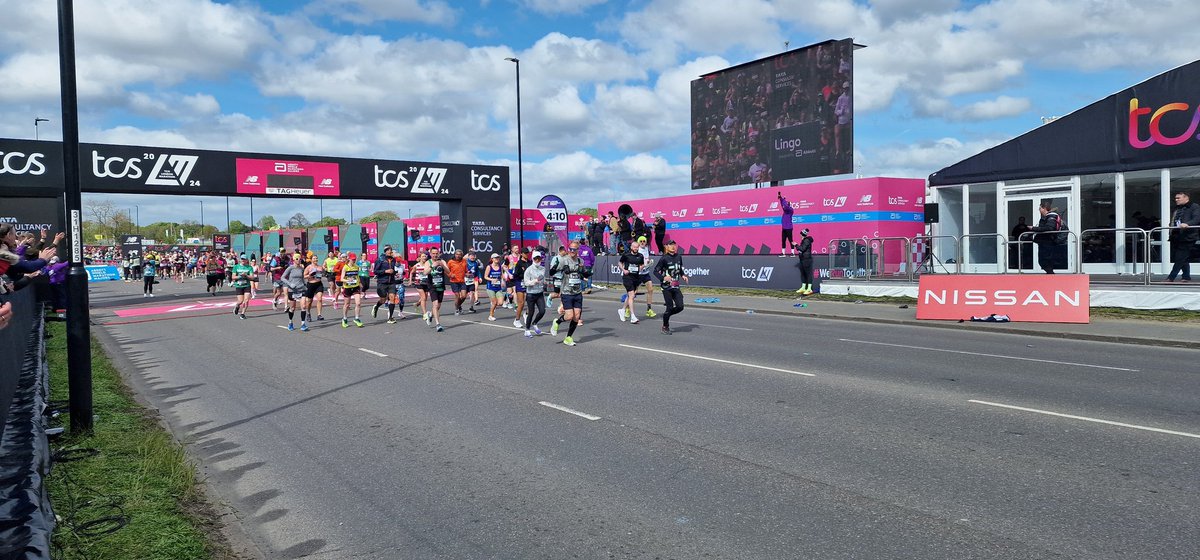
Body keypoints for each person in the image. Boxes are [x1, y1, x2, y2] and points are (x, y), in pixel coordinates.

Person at [548, 241, 588, 346]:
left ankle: (568, 337)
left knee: (577, 317)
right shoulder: (564, 261)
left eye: (574, 249)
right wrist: (555, 267)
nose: (572, 251)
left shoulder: (580, 261)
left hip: (577, 292)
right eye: (570, 249)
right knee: (569, 316)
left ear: (578, 250)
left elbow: (583, 273)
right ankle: (557, 322)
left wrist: (586, 273)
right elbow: (551, 273)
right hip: (566, 292)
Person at [653, 240, 688, 335]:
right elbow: (655, 271)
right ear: (667, 247)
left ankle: (666, 315)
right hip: (666, 287)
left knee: (680, 306)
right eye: (670, 245)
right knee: (669, 307)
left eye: (674, 245)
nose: (673, 247)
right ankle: (665, 326)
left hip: (676, 286)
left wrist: (683, 275)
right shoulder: (664, 258)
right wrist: (663, 277)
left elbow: (680, 268)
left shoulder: (679, 257)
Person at [1167, 191, 1200, 282]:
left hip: (1188, 236)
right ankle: (1186, 276)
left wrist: (1187, 224)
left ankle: (1171, 277)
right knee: (1183, 257)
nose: (1176, 200)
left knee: (1180, 257)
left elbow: (1197, 219)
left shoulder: (1194, 207)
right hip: (1176, 236)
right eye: (1175, 198)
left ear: (1186, 198)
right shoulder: (1177, 208)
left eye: (1178, 198)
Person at [1029, 201, 1064, 274]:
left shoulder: (1051, 216)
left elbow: (1049, 228)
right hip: (1045, 242)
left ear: (1044, 208)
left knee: (1045, 261)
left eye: (1040, 208)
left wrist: (1033, 228)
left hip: (1047, 242)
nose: (1039, 210)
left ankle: (1051, 277)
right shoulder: (1049, 217)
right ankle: (1050, 275)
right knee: (1044, 261)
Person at [618, 240, 646, 324]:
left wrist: (642, 266)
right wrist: (623, 269)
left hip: (636, 277)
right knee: (632, 295)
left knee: (630, 296)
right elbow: (620, 262)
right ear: (631, 247)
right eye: (634, 247)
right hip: (627, 277)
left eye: (637, 247)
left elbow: (641, 265)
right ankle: (633, 316)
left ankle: (622, 310)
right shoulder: (626, 255)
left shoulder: (640, 256)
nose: (635, 249)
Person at [372, 246, 402, 323]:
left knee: (392, 298)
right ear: (385, 251)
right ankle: (376, 306)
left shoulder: (393, 260)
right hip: (382, 282)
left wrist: (395, 273)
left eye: (391, 250)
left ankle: (390, 318)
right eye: (388, 250)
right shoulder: (380, 260)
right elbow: (375, 271)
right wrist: (385, 271)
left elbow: (392, 270)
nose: (390, 251)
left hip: (391, 282)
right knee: (383, 299)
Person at [522, 251, 548, 338]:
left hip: (539, 293)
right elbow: (526, 283)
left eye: (539, 258)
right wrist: (534, 281)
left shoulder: (543, 269)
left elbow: (542, 279)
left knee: (542, 311)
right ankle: (527, 330)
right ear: (533, 259)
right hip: (531, 294)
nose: (537, 260)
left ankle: (535, 323)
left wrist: (544, 282)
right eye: (536, 259)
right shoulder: (528, 270)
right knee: (531, 312)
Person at [425, 248, 448, 332]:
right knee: (435, 304)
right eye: (433, 253)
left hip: (441, 286)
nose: (435, 255)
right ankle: (438, 324)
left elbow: (448, 271)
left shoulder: (442, 261)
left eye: (436, 253)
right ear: (430, 254)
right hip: (432, 286)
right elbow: (425, 272)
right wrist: (432, 266)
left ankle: (430, 314)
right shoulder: (428, 262)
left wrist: (442, 265)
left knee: (438, 306)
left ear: (438, 254)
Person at [340, 252, 365, 328]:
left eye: (354, 259)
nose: (354, 261)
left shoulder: (356, 267)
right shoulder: (345, 267)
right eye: (352, 259)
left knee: (358, 303)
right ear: (349, 259)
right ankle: (344, 319)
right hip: (347, 287)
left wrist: (360, 284)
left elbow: (357, 277)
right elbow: (341, 278)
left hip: (355, 287)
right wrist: (348, 280)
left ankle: (356, 318)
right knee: (347, 304)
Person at [281, 256, 306, 331]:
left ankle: (303, 324)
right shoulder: (290, 268)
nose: (299, 260)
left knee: (304, 306)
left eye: (300, 259)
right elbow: (282, 277)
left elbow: (302, 278)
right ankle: (290, 322)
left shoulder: (301, 268)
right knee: (292, 308)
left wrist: (305, 285)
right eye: (297, 259)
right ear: (294, 260)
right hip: (292, 290)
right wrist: (290, 284)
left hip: (301, 289)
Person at [793, 228, 815, 295]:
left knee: (808, 274)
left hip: (807, 259)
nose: (800, 235)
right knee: (803, 274)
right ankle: (803, 287)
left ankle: (809, 289)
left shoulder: (806, 241)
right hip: (802, 259)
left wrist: (796, 245)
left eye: (800, 234)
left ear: (802, 234)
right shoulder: (804, 240)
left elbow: (802, 249)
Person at [483, 253, 505, 321]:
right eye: (495, 258)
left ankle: (493, 305)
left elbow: (501, 275)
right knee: (495, 302)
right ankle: (491, 315)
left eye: (498, 258)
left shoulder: (500, 266)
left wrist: (503, 281)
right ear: (492, 259)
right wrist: (492, 279)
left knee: (501, 303)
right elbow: (485, 277)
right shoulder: (489, 267)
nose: (497, 259)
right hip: (490, 287)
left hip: (498, 287)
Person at [447, 249, 468, 315]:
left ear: (462, 255)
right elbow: (446, 270)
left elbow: (466, 271)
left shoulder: (464, 261)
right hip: (454, 281)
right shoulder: (450, 262)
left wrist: (468, 274)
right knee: (457, 295)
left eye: (459, 255)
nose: (458, 256)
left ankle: (458, 306)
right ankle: (456, 309)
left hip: (462, 281)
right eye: (457, 254)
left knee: (464, 296)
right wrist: (450, 275)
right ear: (454, 254)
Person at [412, 252, 431, 323]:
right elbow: (411, 273)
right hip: (418, 283)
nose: (424, 257)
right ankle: (425, 314)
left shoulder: (428, 265)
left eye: (425, 256)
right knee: (423, 298)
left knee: (425, 297)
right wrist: (411, 281)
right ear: (419, 258)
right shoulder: (416, 265)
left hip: (426, 283)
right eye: (423, 256)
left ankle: (416, 304)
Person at [778, 191, 795, 257]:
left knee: (791, 240)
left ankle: (793, 253)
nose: (785, 204)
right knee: (783, 240)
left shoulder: (790, 210)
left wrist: (783, 199)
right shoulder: (785, 209)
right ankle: (783, 253)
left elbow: (784, 205)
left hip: (789, 228)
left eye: (787, 203)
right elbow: (783, 205)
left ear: (789, 205)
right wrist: (780, 198)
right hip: (784, 228)